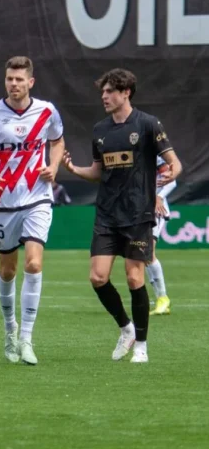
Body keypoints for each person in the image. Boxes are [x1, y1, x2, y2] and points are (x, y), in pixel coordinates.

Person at [62, 68, 182, 363]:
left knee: (134, 277)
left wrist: (170, 175)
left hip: (138, 213)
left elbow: (174, 163)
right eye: (102, 92)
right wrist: (74, 169)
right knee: (97, 277)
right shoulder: (100, 130)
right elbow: (97, 172)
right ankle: (126, 328)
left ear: (126, 92)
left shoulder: (148, 124)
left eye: (109, 91)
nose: (104, 96)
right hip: (107, 214)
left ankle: (141, 346)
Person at [0, 56, 65, 366]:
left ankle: (27, 339)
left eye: (20, 79)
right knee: (8, 270)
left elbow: (58, 141)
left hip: (37, 198)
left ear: (30, 82)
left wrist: (53, 166)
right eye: (10, 78)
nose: (14, 84)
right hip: (3, 201)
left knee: (33, 263)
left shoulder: (46, 111)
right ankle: (10, 330)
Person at [147, 156, 177, 315]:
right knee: (142, 255)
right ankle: (160, 299)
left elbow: (172, 181)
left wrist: (159, 197)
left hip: (156, 209)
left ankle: (163, 298)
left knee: (148, 252)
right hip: (139, 209)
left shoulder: (155, 157)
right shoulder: (128, 155)